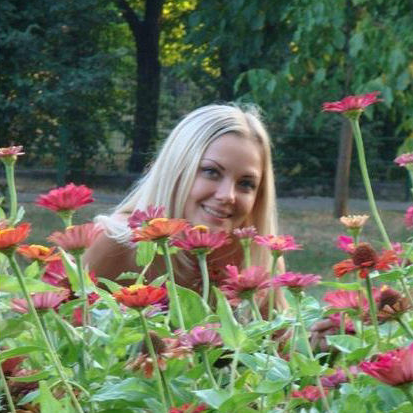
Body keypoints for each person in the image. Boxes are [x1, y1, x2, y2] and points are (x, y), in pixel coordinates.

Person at [83, 103, 287, 310]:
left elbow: (281, 331)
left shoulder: (260, 259)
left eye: (246, 184)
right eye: (211, 172)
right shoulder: (114, 245)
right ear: (176, 170)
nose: (228, 195)